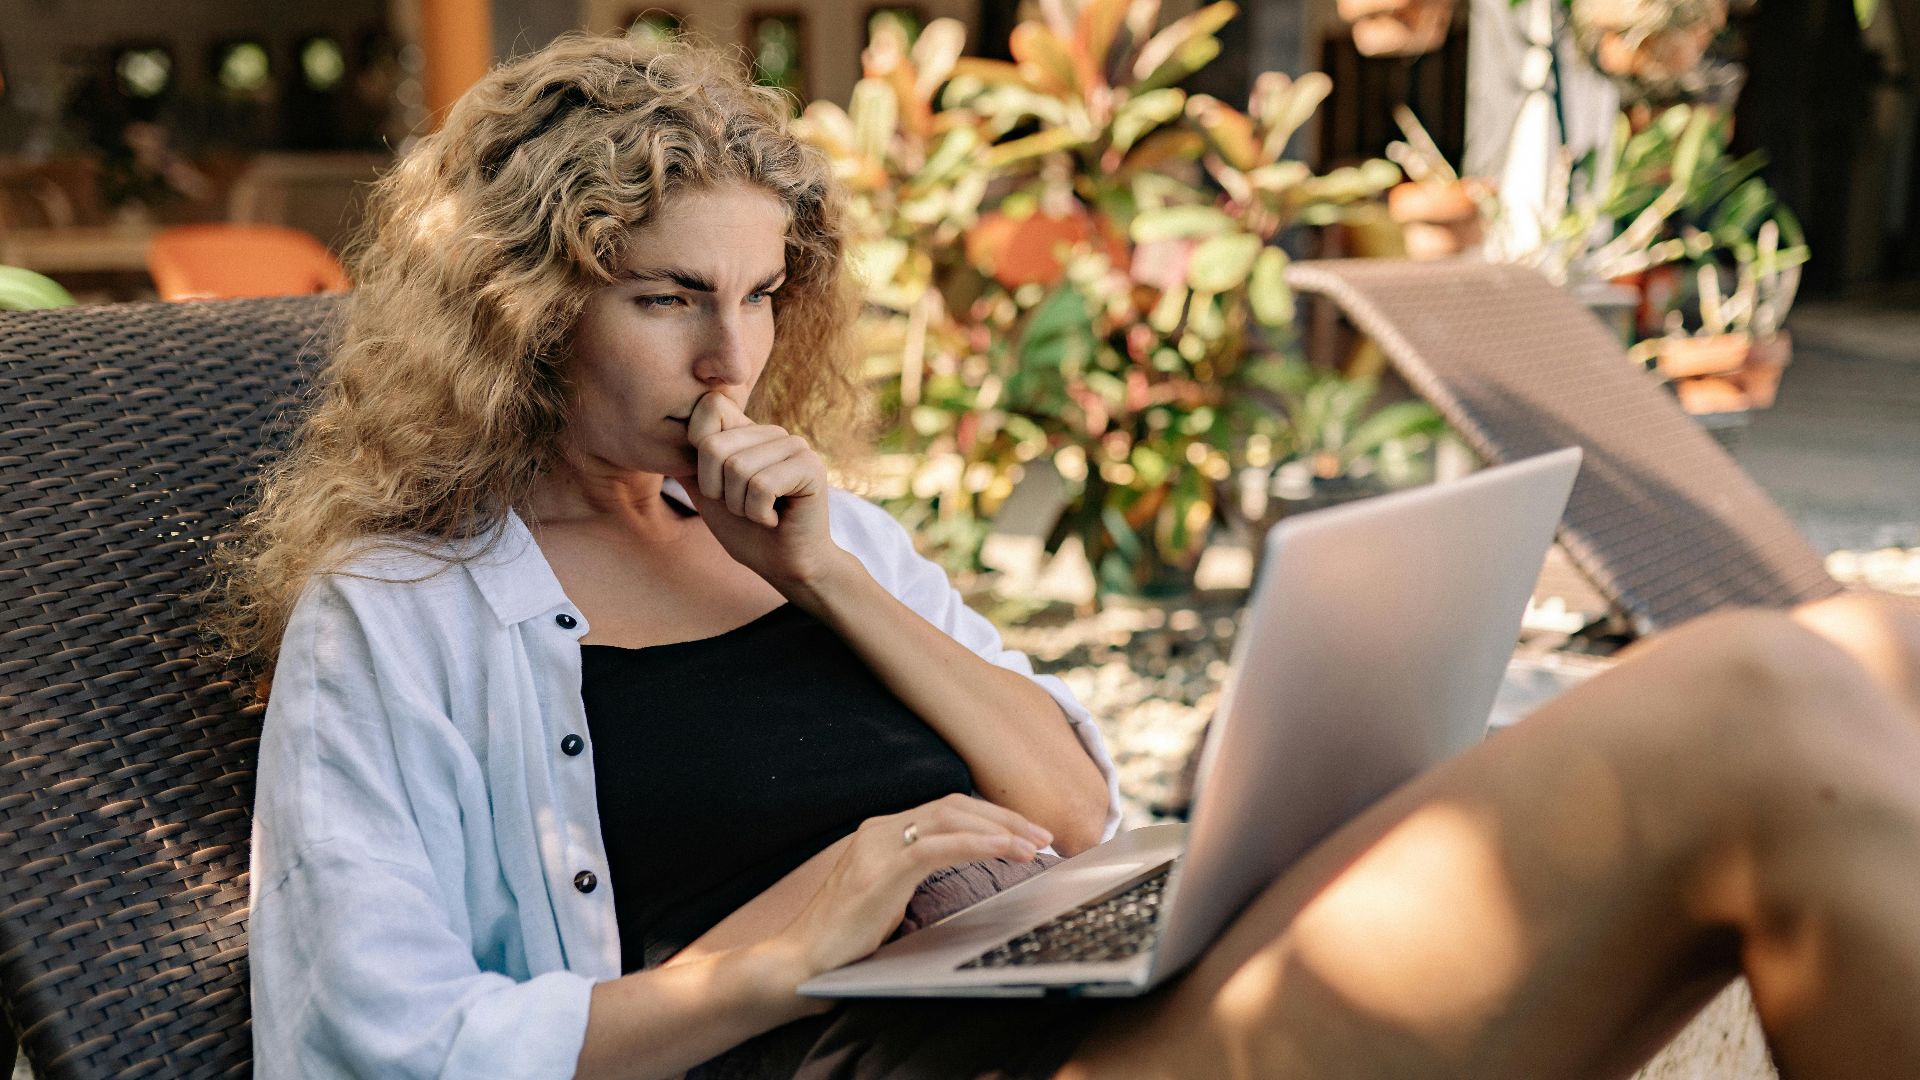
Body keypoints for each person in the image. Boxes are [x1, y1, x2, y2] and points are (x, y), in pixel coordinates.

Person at [213, 31, 1920, 1079]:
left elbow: (1079, 807)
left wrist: (828, 582)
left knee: (1873, 652)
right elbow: (371, 1048)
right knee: (1764, 692)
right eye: (666, 300)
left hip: (1082, 1002)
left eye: (756, 297)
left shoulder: (823, 534)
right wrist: (773, 949)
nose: (728, 360)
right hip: (912, 1067)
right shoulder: (410, 614)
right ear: (524, 310)